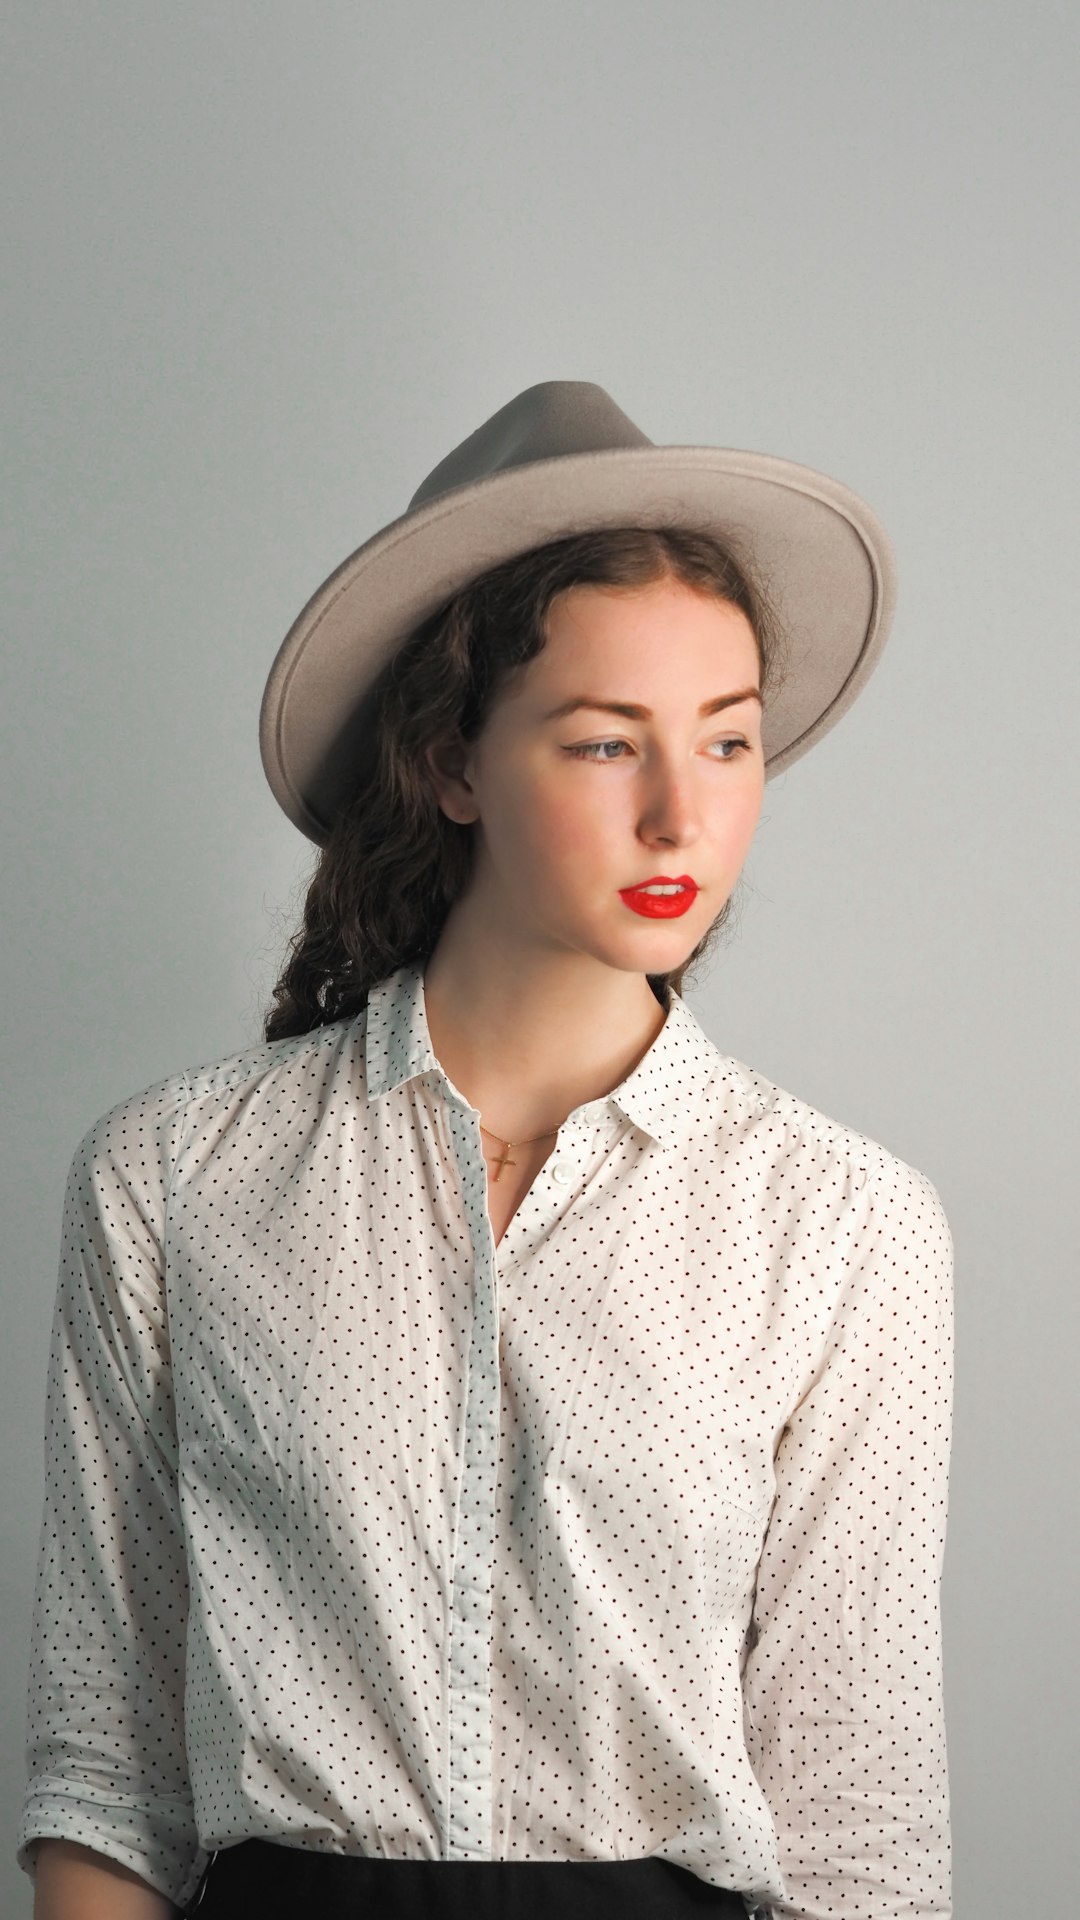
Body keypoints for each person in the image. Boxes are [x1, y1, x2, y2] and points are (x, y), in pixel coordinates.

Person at [19, 382, 953, 1920]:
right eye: (605, 746)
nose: (681, 817)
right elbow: (105, 1770)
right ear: (454, 766)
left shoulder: (842, 1224)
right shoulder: (176, 1177)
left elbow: (861, 1832)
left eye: (727, 744)